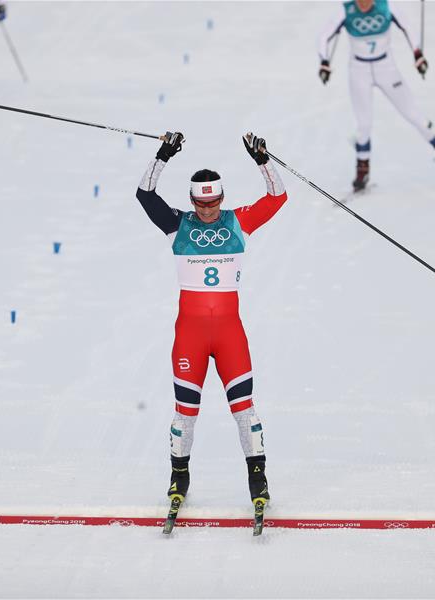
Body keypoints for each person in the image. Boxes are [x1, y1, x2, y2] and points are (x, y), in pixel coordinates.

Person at [135, 131, 288, 510]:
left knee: (244, 410)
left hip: (229, 334)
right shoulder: (178, 225)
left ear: (222, 198)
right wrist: (162, 155)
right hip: (190, 336)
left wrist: (263, 161)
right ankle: (179, 477)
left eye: (214, 202)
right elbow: (145, 195)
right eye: (201, 204)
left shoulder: (239, 222)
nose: (207, 211)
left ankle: (258, 480)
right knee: (185, 414)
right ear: (192, 201)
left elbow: (277, 198)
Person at [317, 0, 435, 191]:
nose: (363, 4)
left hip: (386, 68)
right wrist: (324, 62)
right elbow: (323, 36)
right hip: (359, 71)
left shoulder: (386, 6)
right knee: (364, 124)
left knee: (414, 115)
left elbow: (408, 27)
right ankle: (362, 172)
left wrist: (418, 54)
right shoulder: (345, 10)